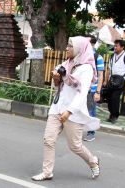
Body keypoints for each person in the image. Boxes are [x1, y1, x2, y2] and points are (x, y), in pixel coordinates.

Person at [31, 36, 100, 181]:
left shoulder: (86, 69)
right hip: (57, 108)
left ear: (79, 49)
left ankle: (93, 162)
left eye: (70, 46)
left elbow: (82, 93)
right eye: (67, 45)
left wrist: (69, 111)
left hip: (73, 112)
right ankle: (47, 172)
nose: (67, 48)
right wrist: (56, 78)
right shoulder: (66, 64)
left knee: (75, 146)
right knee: (48, 140)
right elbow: (58, 85)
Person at [103, 39, 125, 124]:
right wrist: (105, 81)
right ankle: (111, 114)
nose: (115, 47)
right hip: (112, 80)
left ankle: (115, 115)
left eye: (116, 46)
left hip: (121, 81)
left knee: (115, 98)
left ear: (122, 47)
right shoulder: (112, 56)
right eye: (115, 45)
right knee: (109, 98)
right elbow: (109, 69)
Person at [84, 36, 105, 142]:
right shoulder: (82, 55)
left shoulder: (98, 57)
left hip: (92, 90)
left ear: (91, 44)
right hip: (81, 89)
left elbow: (101, 75)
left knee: (91, 111)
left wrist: (98, 91)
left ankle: (91, 132)